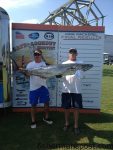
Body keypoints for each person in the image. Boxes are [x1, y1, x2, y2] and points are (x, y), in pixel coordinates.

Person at [26, 49, 53, 129]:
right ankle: (33, 121)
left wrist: (44, 76)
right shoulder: (30, 65)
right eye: (35, 54)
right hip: (33, 88)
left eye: (38, 54)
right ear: (34, 56)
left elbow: (48, 75)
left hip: (43, 86)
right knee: (33, 105)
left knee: (46, 103)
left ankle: (46, 118)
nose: (37, 56)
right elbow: (27, 75)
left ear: (41, 55)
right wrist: (27, 74)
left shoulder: (45, 64)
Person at [61, 48, 83, 135]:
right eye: (71, 53)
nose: (72, 54)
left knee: (76, 108)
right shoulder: (63, 64)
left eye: (74, 53)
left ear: (77, 54)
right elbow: (60, 75)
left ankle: (76, 126)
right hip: (66, 89)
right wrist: (58, 75)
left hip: (77, 90)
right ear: (68, 54)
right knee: (66, 108)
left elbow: (81, 76)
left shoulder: (80, 63)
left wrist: (76, 72)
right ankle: (66, 123)